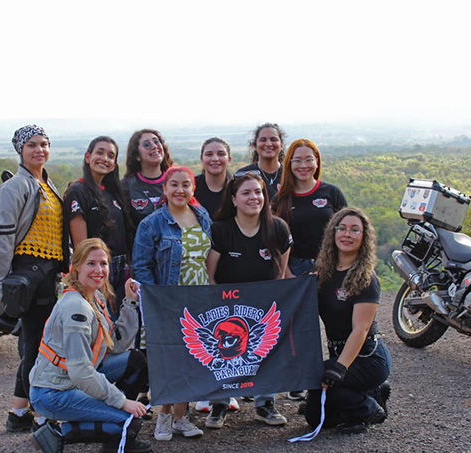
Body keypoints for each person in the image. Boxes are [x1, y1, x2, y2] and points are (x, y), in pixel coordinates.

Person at [28, 238, 151, 453]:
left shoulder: (93, 296)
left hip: (71, 381)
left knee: (136, 362)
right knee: (129, 420)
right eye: (91, 264)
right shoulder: (76, 308)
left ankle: (111, 427)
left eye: (103, 264)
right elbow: (80, 371)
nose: (99, 270)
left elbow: (116, 345)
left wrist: (131, 302)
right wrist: (121, 401)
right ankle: (56, 432)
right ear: (76, 267)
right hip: (54, 393)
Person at [0, 124, 68, 432]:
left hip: (46, 275)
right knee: (36, 345)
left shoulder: (46, 184)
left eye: (44, 144)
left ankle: (18, 412)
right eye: (31, 145)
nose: (39, 150)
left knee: (36, 343)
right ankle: (40, 413)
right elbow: (1, 237)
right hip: (26, 273)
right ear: (20, 150)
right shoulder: (15, 187)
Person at [203, 173, 293, 429]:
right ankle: (219, 404)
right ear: (233, 199)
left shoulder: (278, 228)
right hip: (225, 306)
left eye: (258, 192)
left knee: (263, 351)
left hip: (263, 306)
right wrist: (220, 306)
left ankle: (265, 404)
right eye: (246, 193)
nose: (254, 197)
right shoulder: (220, 230)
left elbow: (280, 273)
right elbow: (210, 276)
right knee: (223, 354)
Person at [132, 165, 211, 442]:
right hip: (167, 300)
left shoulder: (202, 216)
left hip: (199, 299)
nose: (180, 190)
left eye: (186, 185)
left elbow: (208, 258)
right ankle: (164, 415)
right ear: (164, 188)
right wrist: (155, 302)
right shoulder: (151, 223)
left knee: (191, 358)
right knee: (169, 360)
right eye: (174, 185)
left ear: (193, 188)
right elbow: (141, 268)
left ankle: (180, 417)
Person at [304, 207, 392, 434]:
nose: (347, 234)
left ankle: (370, 408)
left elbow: (361, 329)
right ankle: (366, 394)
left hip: (367, 359)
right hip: (339, 353)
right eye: (341, 228)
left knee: (318, 381)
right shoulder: (322, 271)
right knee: (315, 418)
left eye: (355, 230)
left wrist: (339, 368)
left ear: (364, 237)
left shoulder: (366, 278)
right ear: (333, 233)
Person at [63, 136, 132, 319]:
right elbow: (82, 247)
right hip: (97, 271)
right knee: (104, 324)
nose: (104, 159)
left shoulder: (113, 191)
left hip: (121, 270)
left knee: (122, 326)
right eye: (99, 153)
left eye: (110, 156)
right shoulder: (78, 191)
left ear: (114, 164)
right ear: (88, 157)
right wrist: (100, 281)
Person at [273, 138, 347, 279]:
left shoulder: (332, 193)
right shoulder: (280, 199)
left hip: (331, 265)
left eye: (309, 160)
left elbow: (346, 230)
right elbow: (275, 242)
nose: (303, 165)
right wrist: (288, 274)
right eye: (297, 160)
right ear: (289, 163)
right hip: (295, 268)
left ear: (317, 161)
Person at [121, 129, 174, 232]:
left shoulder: (176, 181)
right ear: (137, 155)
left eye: (157, 142)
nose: (154, 146)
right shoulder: (126, 186)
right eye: (146, 145)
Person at [236, 123, 286, 200]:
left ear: (281, 145)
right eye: (263, 140)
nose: (268, 144)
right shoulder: (243, 175)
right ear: (255, 146)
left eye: (273, 139)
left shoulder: (290, 174)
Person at [194, 137, 232, 217]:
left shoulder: (237, 188)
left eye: (221, 154)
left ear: (229, 160)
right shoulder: (190, 188)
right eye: (209, 154)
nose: (215, 159)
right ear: (202, 159)